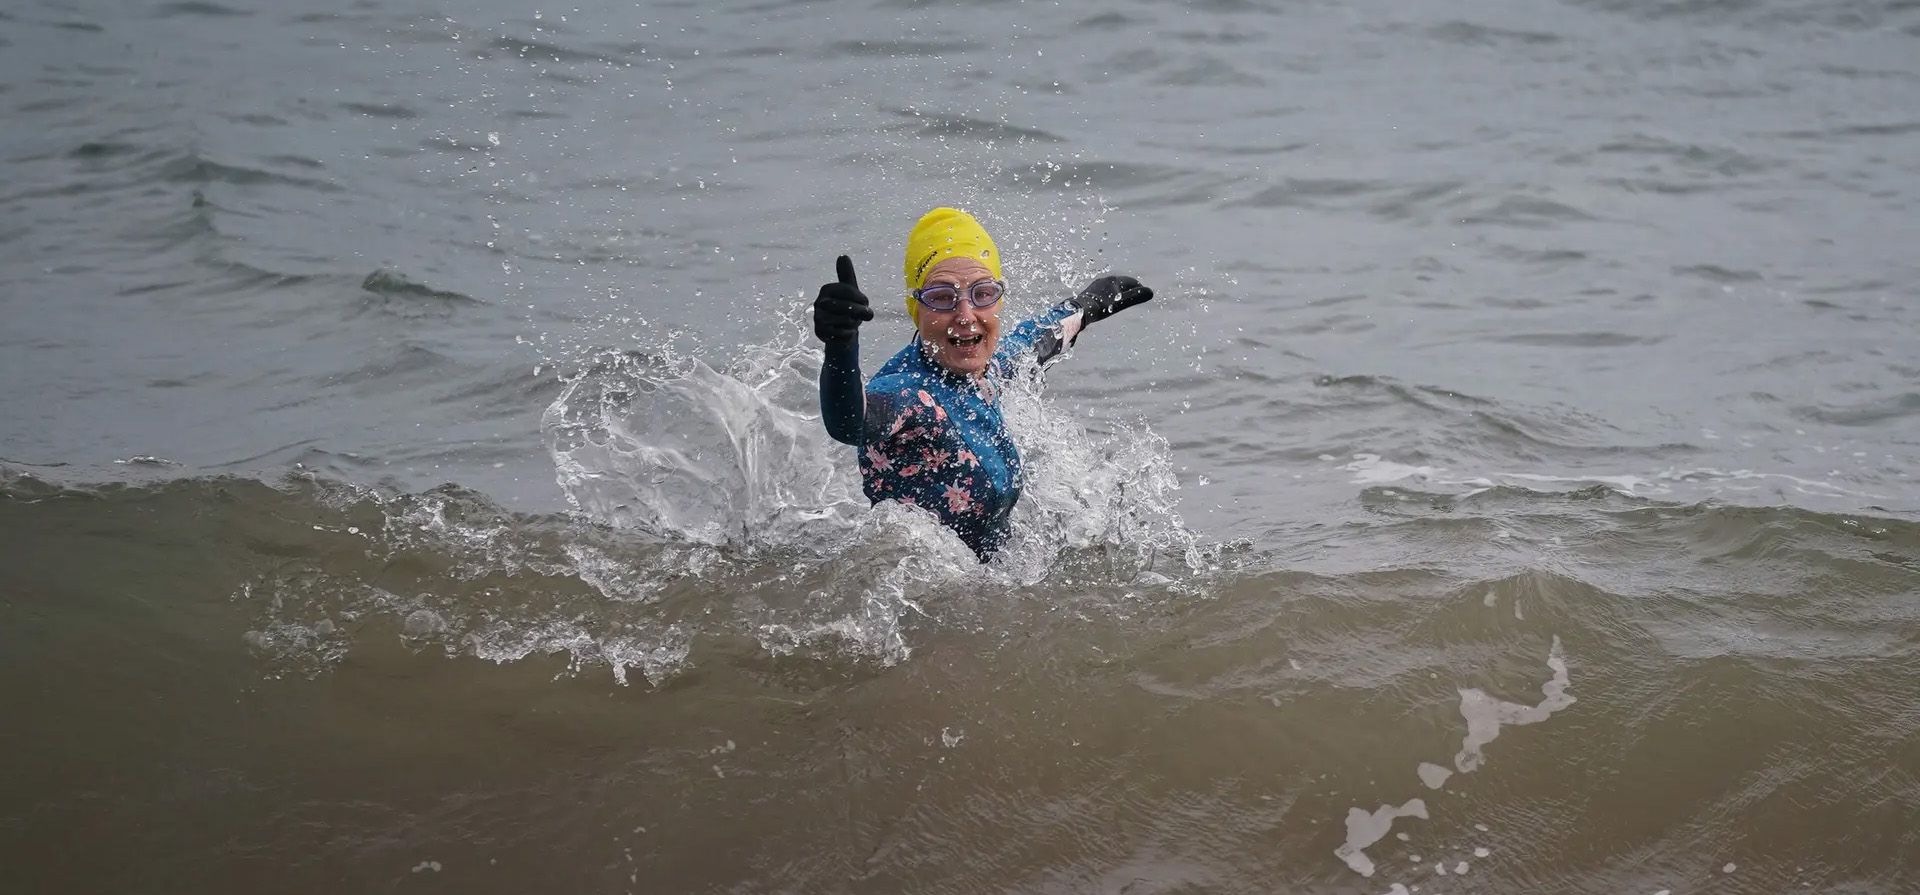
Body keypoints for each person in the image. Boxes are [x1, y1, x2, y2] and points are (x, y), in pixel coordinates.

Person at [812, 207, 1154, 559]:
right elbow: (850, 422)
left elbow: (1037, 342)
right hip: (922, 592)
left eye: (983, 293)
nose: (965, 315)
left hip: (990, 582)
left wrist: (1084, 307)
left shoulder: (991, 368)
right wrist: (841, 348)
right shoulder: (910, 392)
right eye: (942, 298)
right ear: (917, 308)